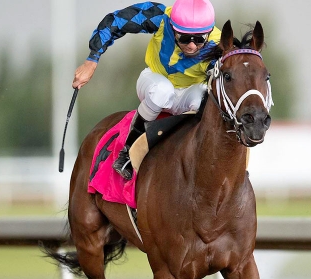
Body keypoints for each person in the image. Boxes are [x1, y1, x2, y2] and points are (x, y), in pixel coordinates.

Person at [73, 0, 221, 179]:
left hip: (189, 94)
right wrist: (92, 60)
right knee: (162, 90)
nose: (191, 46)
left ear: (209, 32)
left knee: (205, 99)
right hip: (154, 81)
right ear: (173, 28)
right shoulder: (159, 17)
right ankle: (128, 151)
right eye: (184, 38)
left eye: (199, 39)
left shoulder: (219, 44)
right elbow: (115, 21)